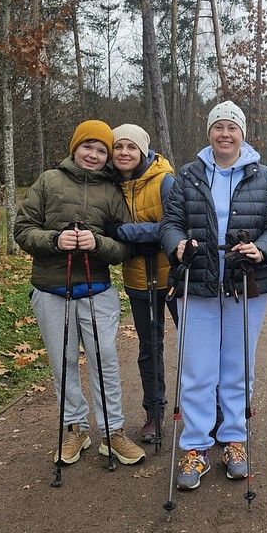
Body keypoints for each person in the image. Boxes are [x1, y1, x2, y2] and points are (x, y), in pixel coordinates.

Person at [159, 101, 267, 490]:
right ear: (210, 133)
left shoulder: (262, 176)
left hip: (244, 283)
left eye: (232, 127)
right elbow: (170, 223)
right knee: (197, 369)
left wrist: (262, 249)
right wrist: (177, 244)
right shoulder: (189, 174)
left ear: (242, 134)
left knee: (237, 366)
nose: (225, 134)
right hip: (196, 280)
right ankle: (196, 446)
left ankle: (234, 438)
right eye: (218, 127)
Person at [15, 120, 145, 467]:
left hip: (96, 291)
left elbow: (125, 247)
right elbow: (23, 230)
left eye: (102, 150)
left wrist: (98, 243)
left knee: (105, 360)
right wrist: (55, 240)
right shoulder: (49, 181)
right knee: (64, 361)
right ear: (75, 148)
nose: (94, 154)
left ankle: (113, 431)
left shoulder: (112, 191)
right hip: (51, 289)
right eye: (88, 147)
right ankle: (76, 428)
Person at [106, 124, 178, 443]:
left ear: (143, 151)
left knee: (195, 345)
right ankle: (154, 412)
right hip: (138, 277)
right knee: (149, 348)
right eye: (118, 147)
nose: (124, 153)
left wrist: (129, 233)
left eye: (130, 147)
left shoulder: (165, 180)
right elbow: (104, 226)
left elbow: (177, 225)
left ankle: (213, 411)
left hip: (175, 276)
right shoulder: (109, 185)